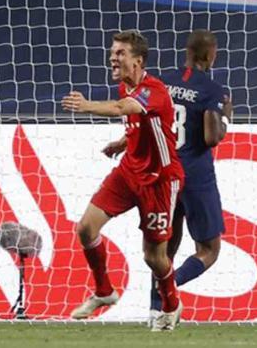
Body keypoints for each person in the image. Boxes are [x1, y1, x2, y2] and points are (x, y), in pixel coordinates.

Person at [62, 30, 184, 331]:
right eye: (112, 52)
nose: (113, 58)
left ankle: (171, 305)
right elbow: (141, 123)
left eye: (120, 53)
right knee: (86, 228)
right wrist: (123, 142)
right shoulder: (125, 86)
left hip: (158, 179)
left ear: (138, 61)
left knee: (154, 257)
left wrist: (86, 106)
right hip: (129, 172)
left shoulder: (153, 90)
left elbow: (121, 108)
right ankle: (104, 291)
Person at [147, 30, 230, 326]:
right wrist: (225, 117)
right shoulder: (211, 90)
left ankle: (156, 310)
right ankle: (170, 286)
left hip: (163, 172)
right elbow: (211, 137)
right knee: (209, 249)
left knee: (164, 247)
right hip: (195, 176)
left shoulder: (161, 83)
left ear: (187, 52)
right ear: (210, 55)